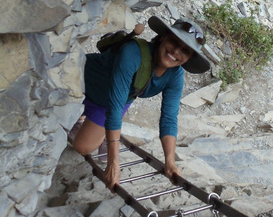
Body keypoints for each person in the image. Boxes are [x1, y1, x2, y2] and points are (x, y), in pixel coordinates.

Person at [72, 16, 210, 189]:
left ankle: (92, 127)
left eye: (185, 50)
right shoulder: (132, 52)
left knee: (82, 147)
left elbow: (169, 118)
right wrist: (114, 162)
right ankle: (92, 125)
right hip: (81, 82)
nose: (176, 52)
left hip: (106, 103)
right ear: (163, 37)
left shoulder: (175, 77)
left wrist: (170, 161)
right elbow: (115, 108)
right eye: (174, 42)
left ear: (189, 58)